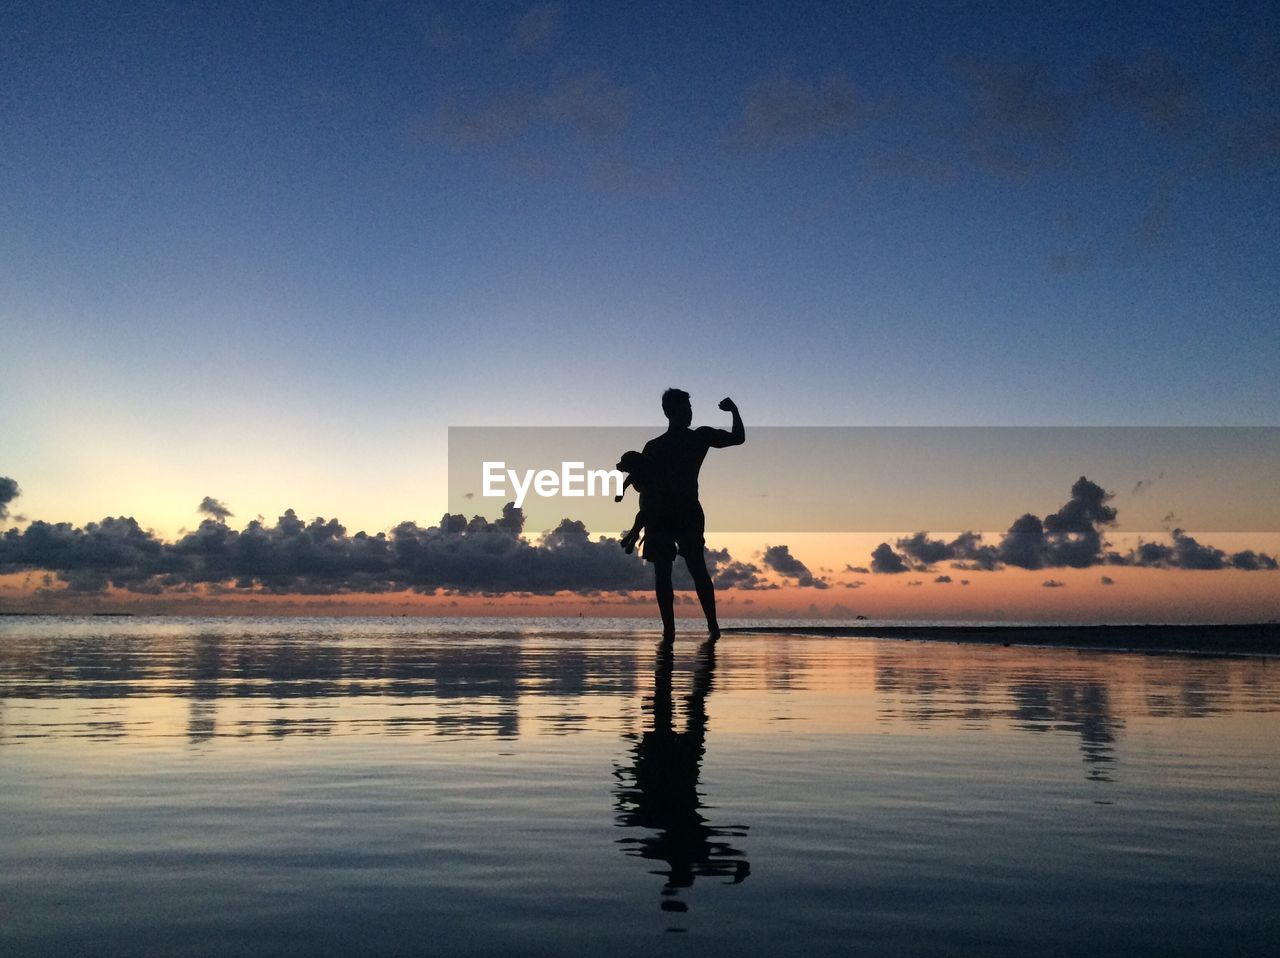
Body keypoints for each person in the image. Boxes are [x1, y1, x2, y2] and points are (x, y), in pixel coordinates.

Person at [638, 389, 744, 642]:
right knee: (663, 573)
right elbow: (644, 487)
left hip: (687, 512)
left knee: (697, 568)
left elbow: (737, 438)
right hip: (662, 514)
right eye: (683, 407)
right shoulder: (654, 447)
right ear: (668, 412)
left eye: (689, 407)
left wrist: (735, 411)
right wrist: (642, 520)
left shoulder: (699, 437)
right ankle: (669, 631)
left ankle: (713, 627)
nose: (688, 412)